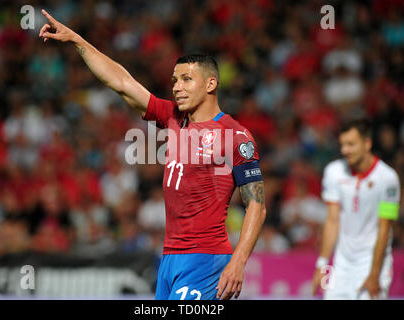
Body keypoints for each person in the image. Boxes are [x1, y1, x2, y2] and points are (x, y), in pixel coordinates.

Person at [39, 9, 266, 300]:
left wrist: (238, 261)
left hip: (205, 259)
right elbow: (122, 83)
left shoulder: (235, 136)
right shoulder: (172, 117)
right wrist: (76, 40)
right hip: (170, 258)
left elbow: (257, 205)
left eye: (186, 79)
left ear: (211, 84)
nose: (177, 87)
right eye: (174, 80)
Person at [312, 119, 401, 299]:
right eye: (343, 144)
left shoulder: (388, 178)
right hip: (341, 265)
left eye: (351, 144)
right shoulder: (333, 172)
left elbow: (385, 227)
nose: (345, 150)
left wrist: (375, 274)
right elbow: (332, 220)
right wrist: (322, 265)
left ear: (367, 143)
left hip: (373, 263)